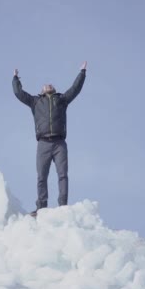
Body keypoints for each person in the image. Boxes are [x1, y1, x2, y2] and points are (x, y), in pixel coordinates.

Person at [12, 61, 87, 216]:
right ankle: (41, 207)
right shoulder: (35, 102)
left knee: (63, 175)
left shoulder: (61, 100)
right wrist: (15, 79)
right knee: (41, 176)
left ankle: (63, 206)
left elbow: (75, 89)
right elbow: (19, 94)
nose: (48, 85)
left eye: (50, 84)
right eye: (45, 85)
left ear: (54, 89)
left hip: (60, 143)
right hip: (43, 143)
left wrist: (82, 73)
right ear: (41, 91)